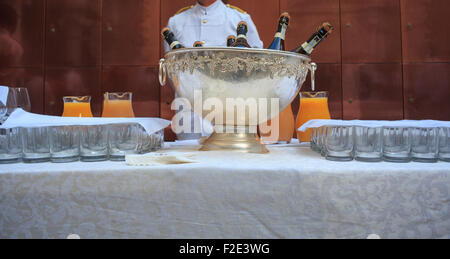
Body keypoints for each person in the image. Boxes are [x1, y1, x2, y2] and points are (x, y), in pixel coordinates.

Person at [164, 0, 263, 140]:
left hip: (231, 112)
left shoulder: (239, 18)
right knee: (190, 158)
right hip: (189, 116)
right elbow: (172, 71)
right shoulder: (176, 22)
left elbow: (257, 66)